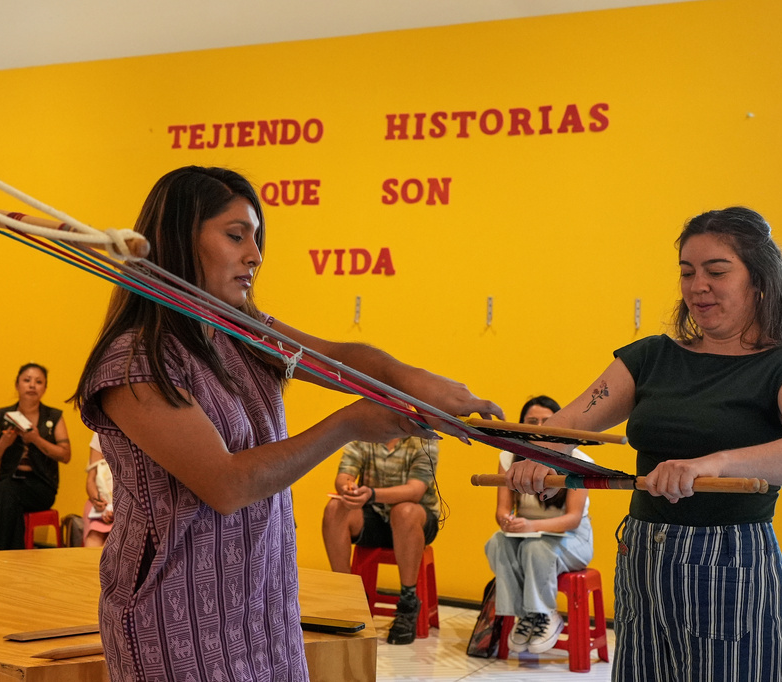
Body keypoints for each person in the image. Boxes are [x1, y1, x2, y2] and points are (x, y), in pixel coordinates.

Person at [71, 165, 502, 682]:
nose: (254, 255)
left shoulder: (239, 329)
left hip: (264, 609)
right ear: (180, 240)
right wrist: (350, 423)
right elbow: (228, 483)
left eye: (256, 238)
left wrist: (416, 382)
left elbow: (338, 357)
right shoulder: (134, 362)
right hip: (177, 619)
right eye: (235, 236)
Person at [505, 207, 782, 682]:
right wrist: (535, 451)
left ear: (759, 281)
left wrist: (716, 463)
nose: (696, 285)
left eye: (716, 271)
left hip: (731, 561)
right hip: (643, 553)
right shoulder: (651, 357)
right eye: (686, 272)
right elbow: (566, 426)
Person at [485, 395, 594, 654]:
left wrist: (532, 528)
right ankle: (524, 615)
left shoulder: (578, 460)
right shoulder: (508, 458)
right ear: (522, 425)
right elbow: (502, 510)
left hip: (571, 538)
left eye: (548, 421)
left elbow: (573, 519)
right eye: (532, 421)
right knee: (497, 542)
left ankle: (545, 613)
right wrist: (507, 522)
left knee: (537, 549)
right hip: (525, 534)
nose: (539, 427)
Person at [321, 436, 441, 645]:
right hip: (374, 515)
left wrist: (372, 494)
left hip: (417, 519)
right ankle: (347, 595)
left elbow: (415, 490)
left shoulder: (424, 439)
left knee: (404, 512)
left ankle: (408, 602)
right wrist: (348, 489)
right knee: (334, 508)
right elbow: (344, 476)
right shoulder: (365, 434)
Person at [0, 363, 71, 551]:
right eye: (26, 380)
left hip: (41, 486)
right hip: (9, 481)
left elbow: (65, 455)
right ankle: (13, 553)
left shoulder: (53, 416)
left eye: (38, 382)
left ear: (45, 388)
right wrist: (4, 442)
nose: (32, 385)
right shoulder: (3, 415)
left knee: (6, 492)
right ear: (17, 385)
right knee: (9, 495)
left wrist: (36, 439)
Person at [83, 432, 113, 547]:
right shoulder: (100, 432)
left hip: (126, 505)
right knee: (93, 537)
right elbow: (91, 480)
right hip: (101, 504)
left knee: (110, 545)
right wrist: (97, 500)